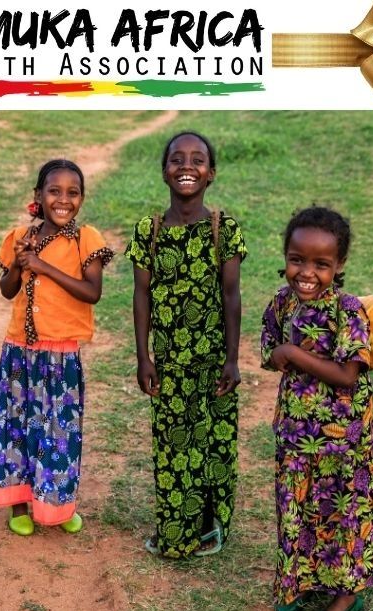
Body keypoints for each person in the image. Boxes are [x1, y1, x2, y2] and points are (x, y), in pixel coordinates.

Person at [259, 206, 373, 611]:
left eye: (321, 264)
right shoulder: (280, 302)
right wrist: (282, 355)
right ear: (286, 255)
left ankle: (347, 594)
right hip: (296, 430)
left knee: (344, 508)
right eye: (297, 260)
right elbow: (268, 352)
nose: (306, 272)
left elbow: (349, 375)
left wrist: (294, 355)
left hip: (344, 434)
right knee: (297, 504)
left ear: (339, 265)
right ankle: (302, 578)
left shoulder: (348, 310)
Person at [127, 131, 246, 558]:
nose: (186, 167)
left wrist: (232, 360)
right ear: (164, 172)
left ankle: (211, 528)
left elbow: (231, 296)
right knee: (175, 447)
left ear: (210, 174)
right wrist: (144, 357)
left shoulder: (223, 229)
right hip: (170, 363)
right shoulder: (149, 231)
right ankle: (177, 533)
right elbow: (141, 295)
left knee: (214, 443)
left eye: (198, 160)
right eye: (177, 159)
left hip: (214, 360)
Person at [0, 160, 114, 536]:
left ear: (82, 198)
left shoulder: (85, 239)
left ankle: (57, 503)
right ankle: (18, 503)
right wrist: (20, 265)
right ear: (38, 195)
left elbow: (93, 292)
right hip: (19, 354)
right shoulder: (20, 237)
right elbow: (7, 291)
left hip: (61, 356)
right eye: (54, 191)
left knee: (58, 432)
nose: (63, 200)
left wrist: (42, 266)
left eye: (73, 193)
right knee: (18, 428)